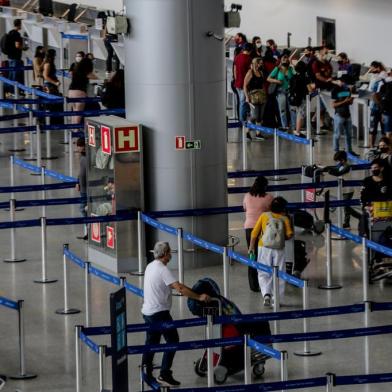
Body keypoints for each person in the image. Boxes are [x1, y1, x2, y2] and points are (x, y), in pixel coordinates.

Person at [141, 241, 210, 387]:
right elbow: (179, 288)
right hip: (159, 313)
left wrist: (193, 292)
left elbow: (177, 285)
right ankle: (164, 374)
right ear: (165, 254)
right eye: (170, 252)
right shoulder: (162, 269)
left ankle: (145, 371)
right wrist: (198, 297)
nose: (171, 255)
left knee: (152, 342)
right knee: (173, 339)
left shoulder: (150, 266)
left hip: (147, 311)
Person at [249, 197, 293, 307]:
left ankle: (266, 295)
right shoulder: (285, 219)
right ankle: (277, 300)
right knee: (280, 273)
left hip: (263, 247)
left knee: (263, 272)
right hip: (279, 249)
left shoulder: (264, 216)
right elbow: (289, 235)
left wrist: (251, 247)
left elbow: (254, 232)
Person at [243, 176, 273, 292]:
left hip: (249, 229)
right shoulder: (268, 198)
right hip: (262, 229)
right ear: (265, 186)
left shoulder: (247, 196)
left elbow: (245, 209)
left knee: (252, 255)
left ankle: (253, 285)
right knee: (263, 256)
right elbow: (272, 211)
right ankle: (264, 283)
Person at [326, 151, 361, 229]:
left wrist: (329, 171)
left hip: (348, 190)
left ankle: (360, 217)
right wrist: (324, 168)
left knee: (346, 207)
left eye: (338, 160)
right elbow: (335, 169)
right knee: (346, 207)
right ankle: (347, 223)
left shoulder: (347, 166)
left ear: (342, 159)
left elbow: (339, 173)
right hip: (343, 189)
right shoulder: (340, 165)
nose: (337, 162)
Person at [331, 74, 360, 156]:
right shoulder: (335, 90)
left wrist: (352, 93)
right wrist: (345, 101)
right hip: (339, 115)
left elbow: (350, 102)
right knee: (337, 134)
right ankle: (336, 151)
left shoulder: (348, 89)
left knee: (349, 135)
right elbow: (333, 105)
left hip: (347, 115)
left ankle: (349, 151)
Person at [267, 53, 296, 130]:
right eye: (283, 58)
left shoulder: (290, 69)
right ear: (281, 59)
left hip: (290, 91)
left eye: (286, 58)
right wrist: (276, 81)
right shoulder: (277, 69)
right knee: (282, 110)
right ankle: (284, 126)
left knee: (292, 109)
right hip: (280, 91)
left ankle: (294, 126)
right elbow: (268, 78)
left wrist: (293, 66)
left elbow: (296, 76)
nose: (285, 59)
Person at [289, 60, 315, 137]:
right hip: (303, 98)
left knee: (298, 114)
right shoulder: (305, 77)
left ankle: (297, 130)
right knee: (300, 115)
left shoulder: (294, 76)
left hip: (295, 98)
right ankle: (297, 131)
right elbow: (310, 89)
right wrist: (313, 87)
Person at [243, 57, 267, 140]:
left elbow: (262, 85)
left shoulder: (261, 72)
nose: (261, 64)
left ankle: (258, 133)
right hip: (253, 96)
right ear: (255, 63)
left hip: (261, 96)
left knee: (260, 116)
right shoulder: (250, 72)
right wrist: (247, 97)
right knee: (255, 115)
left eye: (261, 63)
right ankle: (247, 132)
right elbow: (245, 85)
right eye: (260, 63)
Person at [68, 58, 94, 124]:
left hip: (71, 91)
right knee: (79, 112)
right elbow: (94, 77)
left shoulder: (76, 70)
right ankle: (76, 129)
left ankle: (73, 129)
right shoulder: (86, 71)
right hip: (79, 92)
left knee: (74, 111)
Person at [368, 61, 387, 147]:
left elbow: (375, 94)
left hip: (381, 107)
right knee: (373, 128)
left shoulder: (383, 77)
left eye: (372, 68)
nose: (371, 69)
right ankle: (372, 146)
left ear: (378, 68)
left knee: (384, 129)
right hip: (375, 107)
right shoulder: (374, 77)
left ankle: (384, 146)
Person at [233, 43, 253, 123]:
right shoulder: (249, 59)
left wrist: (236, 78)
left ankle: (242, 118)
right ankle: (242, 121)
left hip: (237, 83)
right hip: (244, 84)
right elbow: (250, 72)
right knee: (243, 102)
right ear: (250, 50)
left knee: (241, 102)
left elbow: (234, 69)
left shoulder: (237, 57)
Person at [75, 138, 87, 240]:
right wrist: (77, 182)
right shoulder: (82, 156)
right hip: (83, 188)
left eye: (79, 146)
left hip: (88, 190)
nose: (78, 148)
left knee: (83, 209)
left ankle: (88, 231)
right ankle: (87, 231)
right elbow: (80, 171)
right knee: (83, 210)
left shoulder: (88, 157)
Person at [7, 19, 24, 85]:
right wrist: (24, 48)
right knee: (15, 75)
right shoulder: (17, 34)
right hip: (15, 57)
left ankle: (10, 89)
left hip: (10, 56)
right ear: (19, 24)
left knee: (11, 74)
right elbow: (17, 46)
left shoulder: (10, 32)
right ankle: (14, 90)